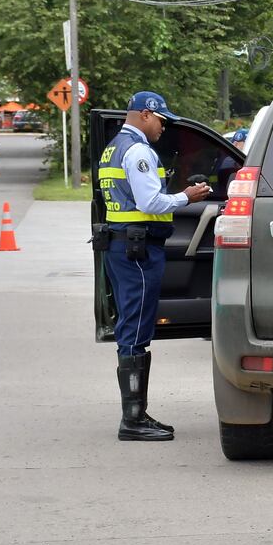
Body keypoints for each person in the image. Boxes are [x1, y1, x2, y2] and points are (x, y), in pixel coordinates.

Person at [98, 92, 210, 441]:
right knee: (135, 330)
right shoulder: (139, 151)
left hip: (122, 247)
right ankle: (132, 420)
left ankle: (136, 413)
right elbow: (150, 201)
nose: (164, 126)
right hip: (139, 251)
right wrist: (186, 197)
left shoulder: (113, 148)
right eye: (161, 119)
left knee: (131, 326)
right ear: (145, 115)